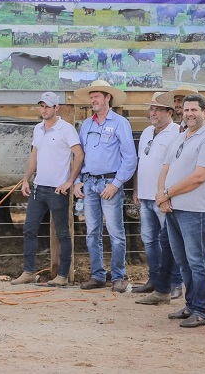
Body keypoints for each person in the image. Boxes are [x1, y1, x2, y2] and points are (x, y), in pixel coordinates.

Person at [154, 94, 205, 328]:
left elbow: (199, 176)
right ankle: (191, 305)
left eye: (194, 110)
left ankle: (203, 310)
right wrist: (161, 195)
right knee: (183, 262)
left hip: (196, 210)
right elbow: (166, 166)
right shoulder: (180, 136)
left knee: (198, 261)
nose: (189, 114)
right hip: (174, 207)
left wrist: (167, 193)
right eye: (186, 110)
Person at [10, 92, 84, 287]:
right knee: (29, 229)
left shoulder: (66, 129)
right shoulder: (38, 129)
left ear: (56, 108)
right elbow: (34, 155)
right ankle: (28, 271)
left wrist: (70, 181)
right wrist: (26, 179)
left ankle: (62, 276)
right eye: (41, 106)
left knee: (63, 233)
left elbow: (79, 154)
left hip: (58, 190)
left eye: (47, 106)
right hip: (38, 187)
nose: (44, 110)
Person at [73, 80, 137, 292]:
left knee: (115, 232)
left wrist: (117, 183)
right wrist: (76, 181)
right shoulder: (87, 124)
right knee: (92, 232)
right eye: (91, 97)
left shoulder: (120, 123)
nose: (93, 100)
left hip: (110, 182)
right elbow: (79, 155)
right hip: (90, 182)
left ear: (108, 97)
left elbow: (130, 158)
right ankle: (98, 275)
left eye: (97, 96)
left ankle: (118, 275)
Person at [132, 93, 180, 295]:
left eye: (158, 109)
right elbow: (140, 163)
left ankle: (175, 283)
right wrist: (136, 189)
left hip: (163, 198)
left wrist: (168, 194)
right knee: (149, 240)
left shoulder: (178, 132)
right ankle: (154, 279)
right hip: (145, 195)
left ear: (170, 112)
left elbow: (178, 167)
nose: (153, 113)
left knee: (170, 242)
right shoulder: (146, 132)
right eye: (152, 109)